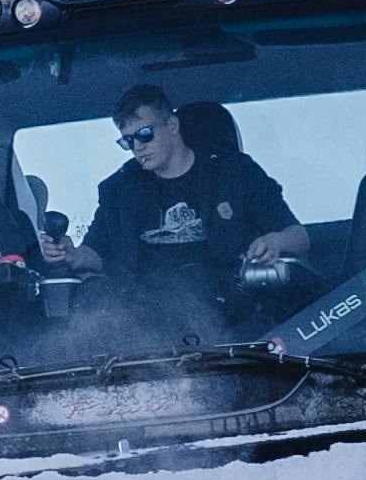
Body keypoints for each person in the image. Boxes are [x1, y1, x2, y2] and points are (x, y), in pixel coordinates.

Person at [82, 88, 313, 340]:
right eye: (128, 141)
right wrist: (68, 254)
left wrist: (274, 242)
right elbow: (94, 252)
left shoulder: (236, 174)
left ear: (172, 126)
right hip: (146, 330)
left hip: (237, 324)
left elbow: (299, 237)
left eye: (145, 134)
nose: (138, 147)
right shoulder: (118, 190)